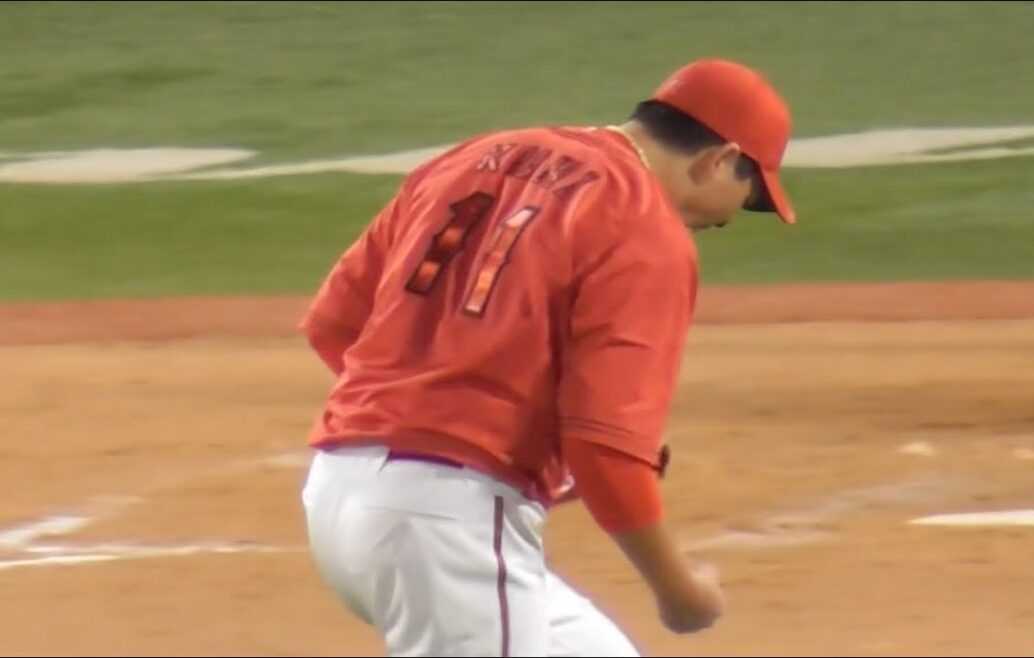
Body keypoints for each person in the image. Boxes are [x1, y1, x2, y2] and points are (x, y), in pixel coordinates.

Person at [298, 57, 797, 657]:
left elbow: (336, 325)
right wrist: (680, 594)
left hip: (338, 493)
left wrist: (476, 430)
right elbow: (606, 453)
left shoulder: (473, 156)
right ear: (719, 159)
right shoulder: (645, 225)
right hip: (446, 523)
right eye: (748, 195)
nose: (728, 216)